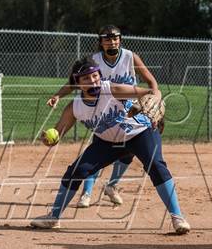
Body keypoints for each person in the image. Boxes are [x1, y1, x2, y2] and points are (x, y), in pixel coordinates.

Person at [31, 57, 190, 235]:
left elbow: (152, 92)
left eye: (95, 76)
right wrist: (49, 139)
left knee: (156, 165)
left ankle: (178, 217)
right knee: (76, 171)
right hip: (108, 142)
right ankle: (54, 217)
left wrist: (154, 101)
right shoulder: (75, 107)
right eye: (86, 78)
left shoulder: (112, 89)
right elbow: (58, 133)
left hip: (139, 133)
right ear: (77, 83)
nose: (93, 81)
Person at [47, 25, 160, 209]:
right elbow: (73, 82)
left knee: (129, 152)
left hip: (130, 110)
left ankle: (112, 185)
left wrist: (154, 101)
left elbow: (151, 82)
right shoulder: (94, 60)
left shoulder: (130, 56)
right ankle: (87, 193)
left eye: (115, 38)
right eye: (107, 39)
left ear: (120, 40)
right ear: (100, 42)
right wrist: (58, 95)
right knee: (97, 151)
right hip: (103, 108)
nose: (112, 41)